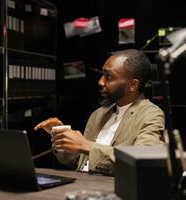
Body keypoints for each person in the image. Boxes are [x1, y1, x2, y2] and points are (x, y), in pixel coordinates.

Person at [34, 49, 165, 175]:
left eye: (108, 76)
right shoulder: (99, 114)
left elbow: (144, 162)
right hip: (83, 186)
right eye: (102, 74)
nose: (100, 81)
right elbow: (77, 162)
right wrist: (61, 138)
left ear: (132, 85)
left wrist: (86, 145)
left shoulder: (150, 114)